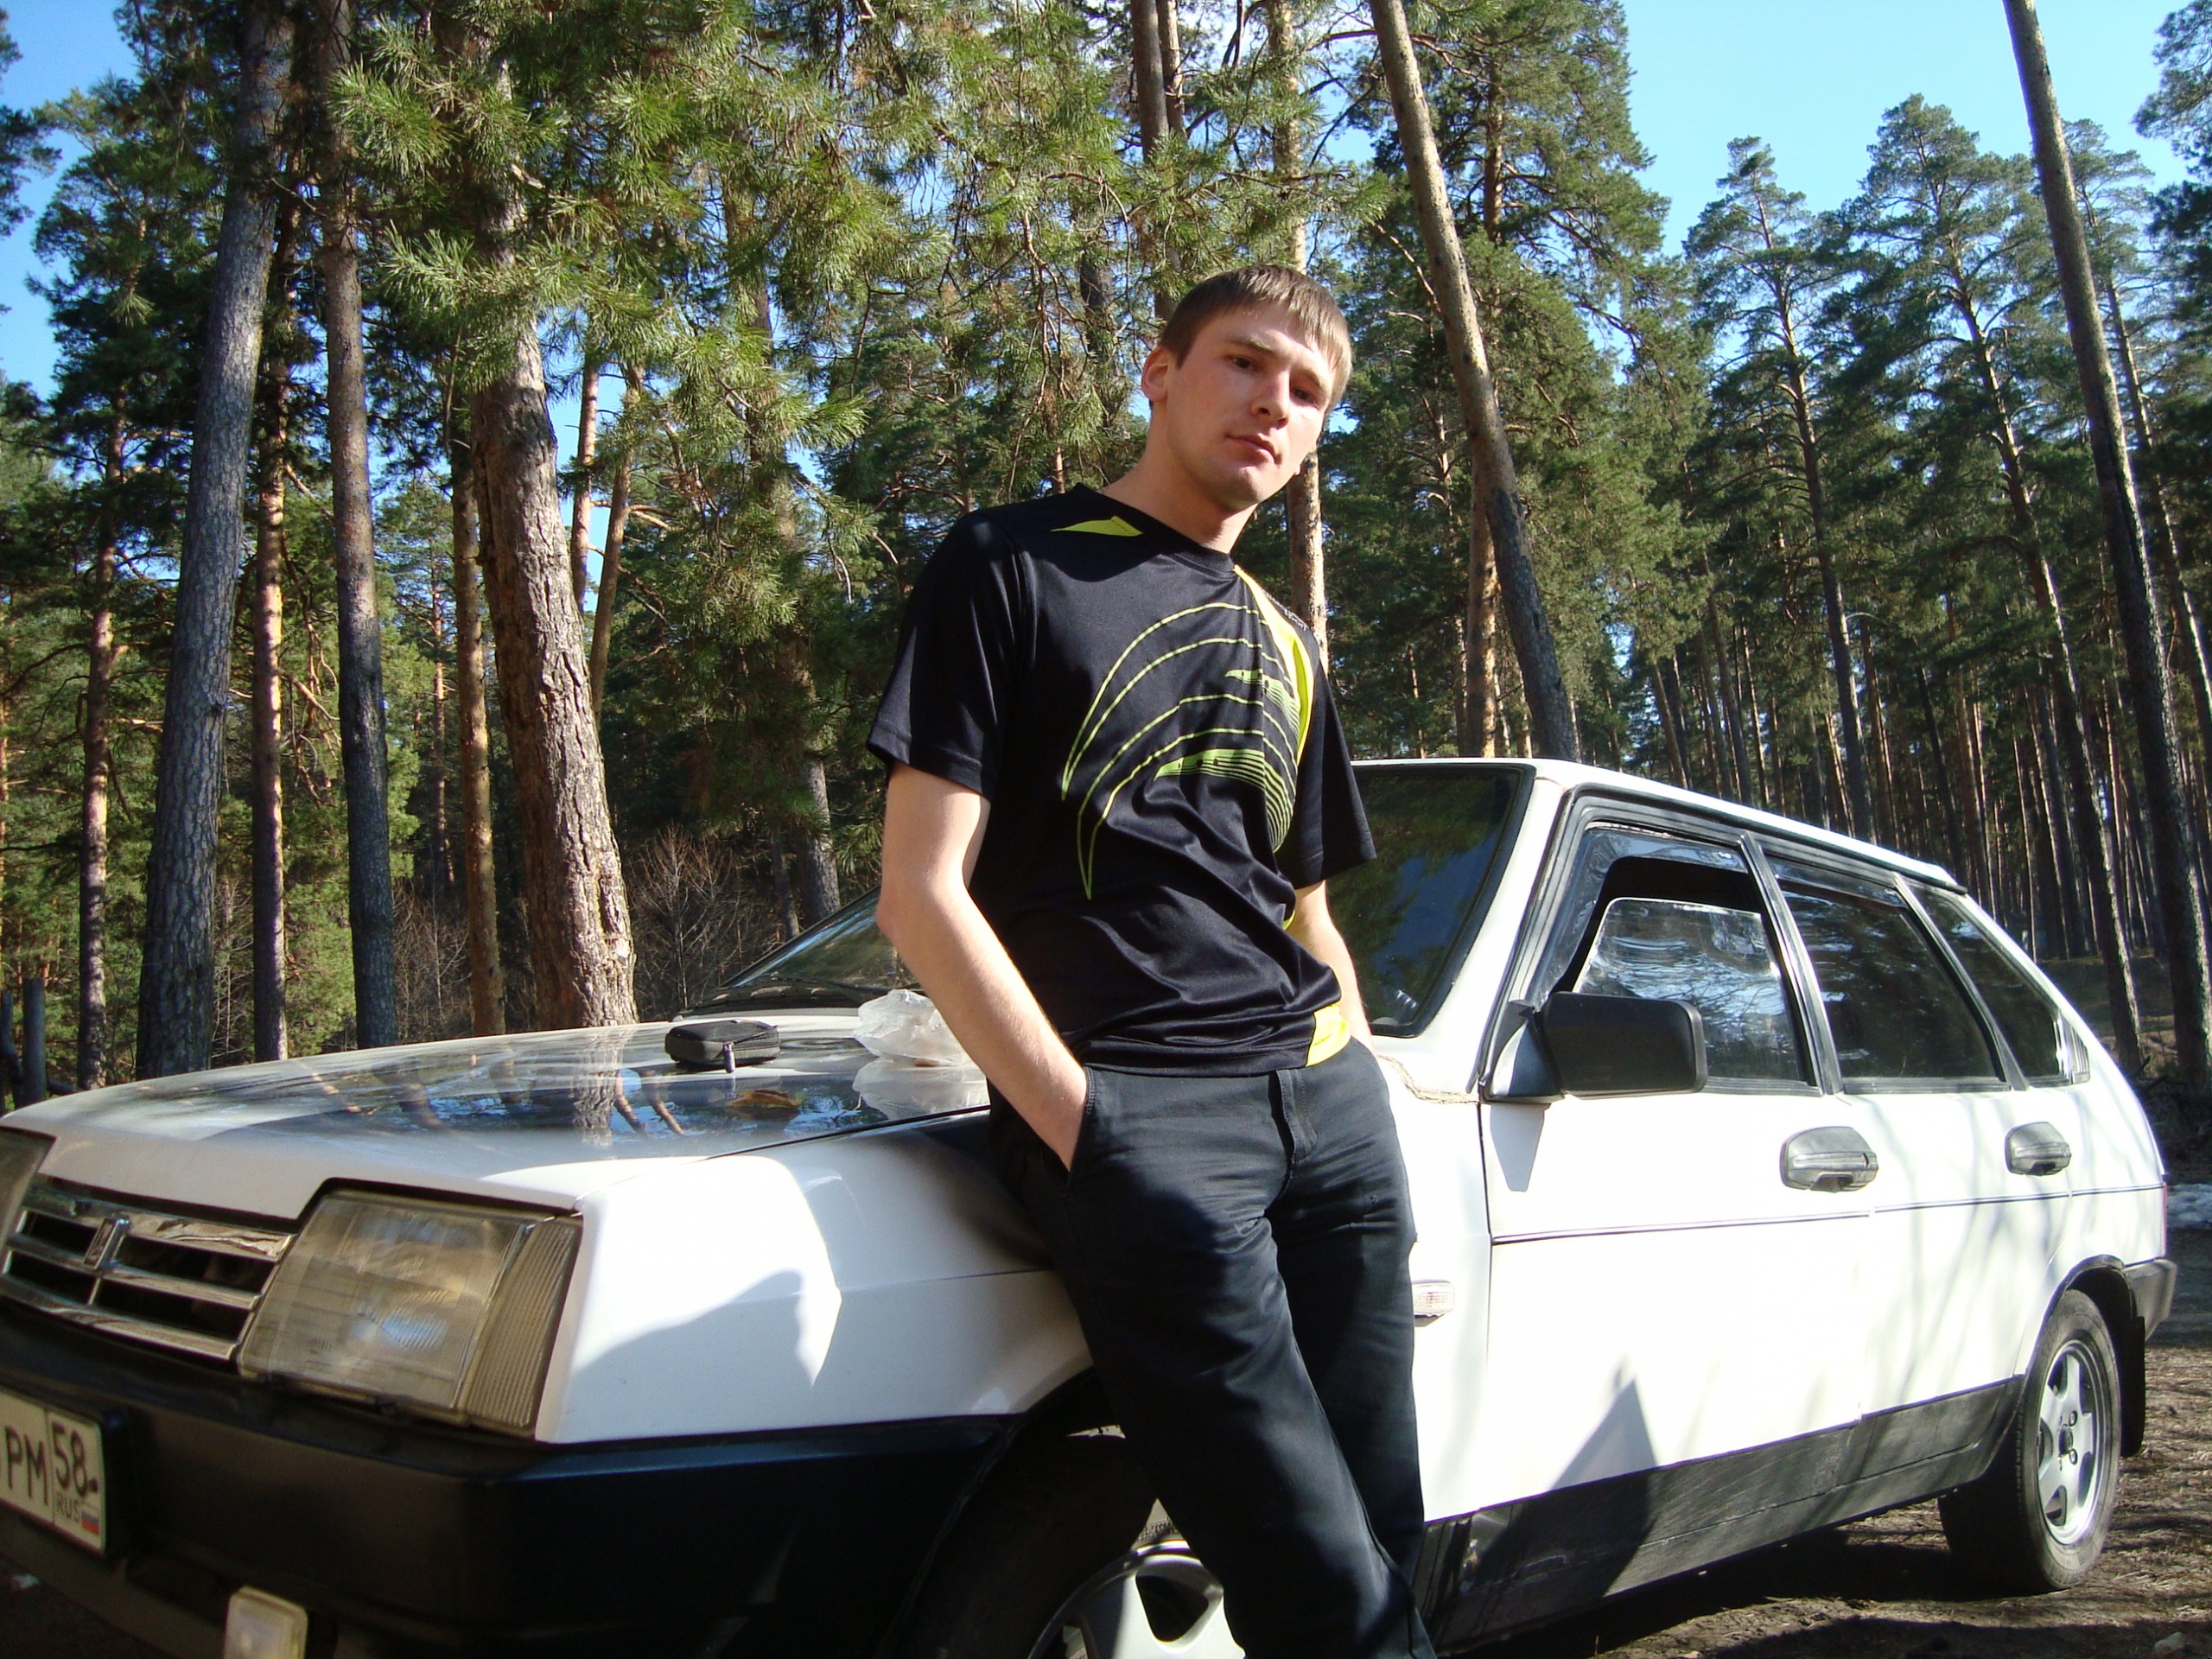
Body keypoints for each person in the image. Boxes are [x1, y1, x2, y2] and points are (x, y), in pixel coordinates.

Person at [869, 264, 1433, 1659]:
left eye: (1307, 392)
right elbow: (920, 893)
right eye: (1245, 362)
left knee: (1382, 1541)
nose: (1273, 404)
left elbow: (1305, 910)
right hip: (1145, 1115)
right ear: (1160, 371)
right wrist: (1090, 1134)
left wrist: (1366, 1089)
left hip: (1331, 1118)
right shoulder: (1011, 564)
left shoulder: (1285, 640)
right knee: (1321, 1579)